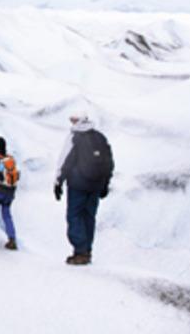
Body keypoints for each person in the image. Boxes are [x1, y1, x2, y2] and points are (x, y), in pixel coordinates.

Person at [54, 113, 114, 266]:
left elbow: (65, 161)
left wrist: (58, 182)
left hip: (77, 185)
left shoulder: (75, 137)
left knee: (74, 216)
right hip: (95, 186)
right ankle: (87, 250)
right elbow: (109, 162)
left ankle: (80, 252)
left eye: (73, 119)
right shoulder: (100, 137)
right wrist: (105, 184)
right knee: (89, 217)